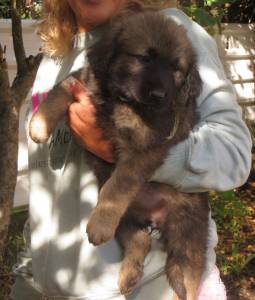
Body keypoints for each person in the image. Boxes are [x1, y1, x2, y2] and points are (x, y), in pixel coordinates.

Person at [11, 0, 252, 299]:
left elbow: (235, 154)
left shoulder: (172, 31)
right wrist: (30, 271)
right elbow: (47, 187)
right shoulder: (55, 56)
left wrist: (128, 153)